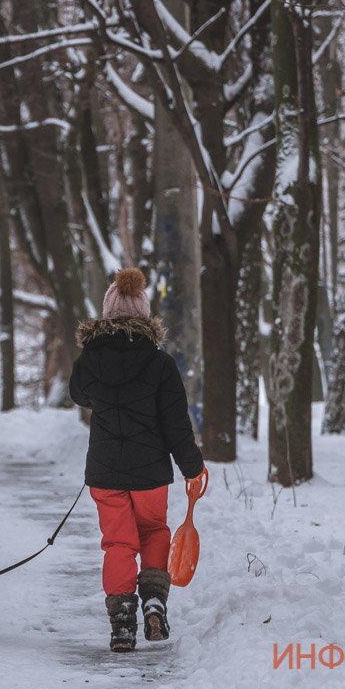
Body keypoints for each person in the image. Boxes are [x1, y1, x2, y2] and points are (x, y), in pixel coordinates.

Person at [69, 267, 207, 653]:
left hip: (105, 471)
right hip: (149, 472)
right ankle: (153, 603)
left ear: (106, 314)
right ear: (145, 315)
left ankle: (122, 623)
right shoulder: (160, 364)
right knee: (153, 532)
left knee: (117, 543)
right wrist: (192, 466)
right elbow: (176, 422)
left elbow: (78, 394)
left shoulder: (89, 361)